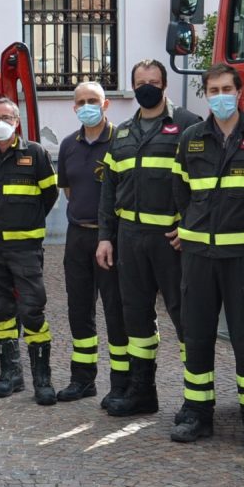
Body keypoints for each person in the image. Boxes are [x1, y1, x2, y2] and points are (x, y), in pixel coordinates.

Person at [171, 64, 244, 451]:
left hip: (243, 257)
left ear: (240, 92)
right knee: (198, 336)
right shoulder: (190, 138)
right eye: (213, 89)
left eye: (226, 88)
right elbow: (180, 191)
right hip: (198, 256)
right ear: (205, 94)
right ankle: (196, 413)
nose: (220, 95)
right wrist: (194, 227)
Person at [95, 60, 202, 417]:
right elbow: (109, 191)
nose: (147, 88)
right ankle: (143, 393)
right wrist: (105, 237)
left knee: (186, 317)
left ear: (165, 85)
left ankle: (196, 401)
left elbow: (203, 185)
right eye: (140, 83)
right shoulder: (122, 133)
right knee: (136, 317)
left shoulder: (188, 125)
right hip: (129, 238)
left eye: (153, 82)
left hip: (171, 241)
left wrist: (191, 228)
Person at [0, 97, 60, 404]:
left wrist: (29, 222)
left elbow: (49, 195)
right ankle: (10, 376)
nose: (1, 122)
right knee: (0, 311)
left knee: (33, 309)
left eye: (7, 117)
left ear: (17, 121)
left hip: (24, 247)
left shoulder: (35, 153)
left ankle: (42, 380)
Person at [55, 81, 128, 404]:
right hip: (77, 236)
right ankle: (83, 380)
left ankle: (121, 383)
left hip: (109, 237)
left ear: (106, 104)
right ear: (74, 108)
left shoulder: (121, 142)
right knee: (78, 309)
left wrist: (107, 232)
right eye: (81, 101)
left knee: (116, 310)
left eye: (93, 100)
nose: (87, 106)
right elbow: (69, 190)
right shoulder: (69, 145)